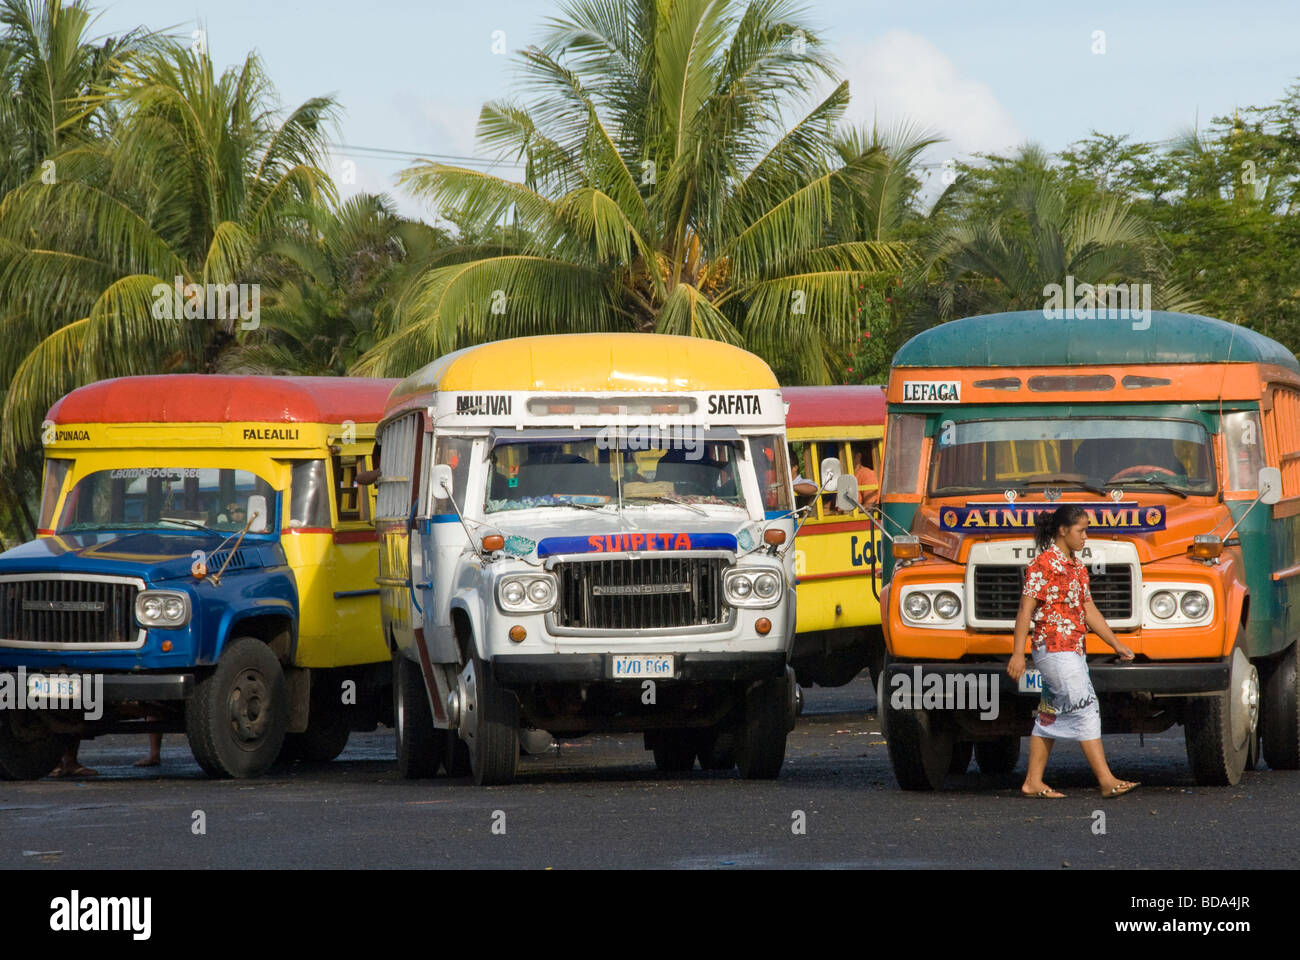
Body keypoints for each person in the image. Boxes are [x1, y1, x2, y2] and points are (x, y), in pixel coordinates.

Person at [1006, 503, 1140, 799]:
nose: (1085, 536)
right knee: (1085, 707)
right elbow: (1025, 610)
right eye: (1081, 530)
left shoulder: (1077, 567)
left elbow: (1087, 609)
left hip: (1073, 649)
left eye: (1086, 530)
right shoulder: (1043, 564)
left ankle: (1033, 782)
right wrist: (1018, 653)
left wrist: (1116, 644)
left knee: (1050, 713)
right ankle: (1106, 780)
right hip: (1053, 649)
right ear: (1063, 530)